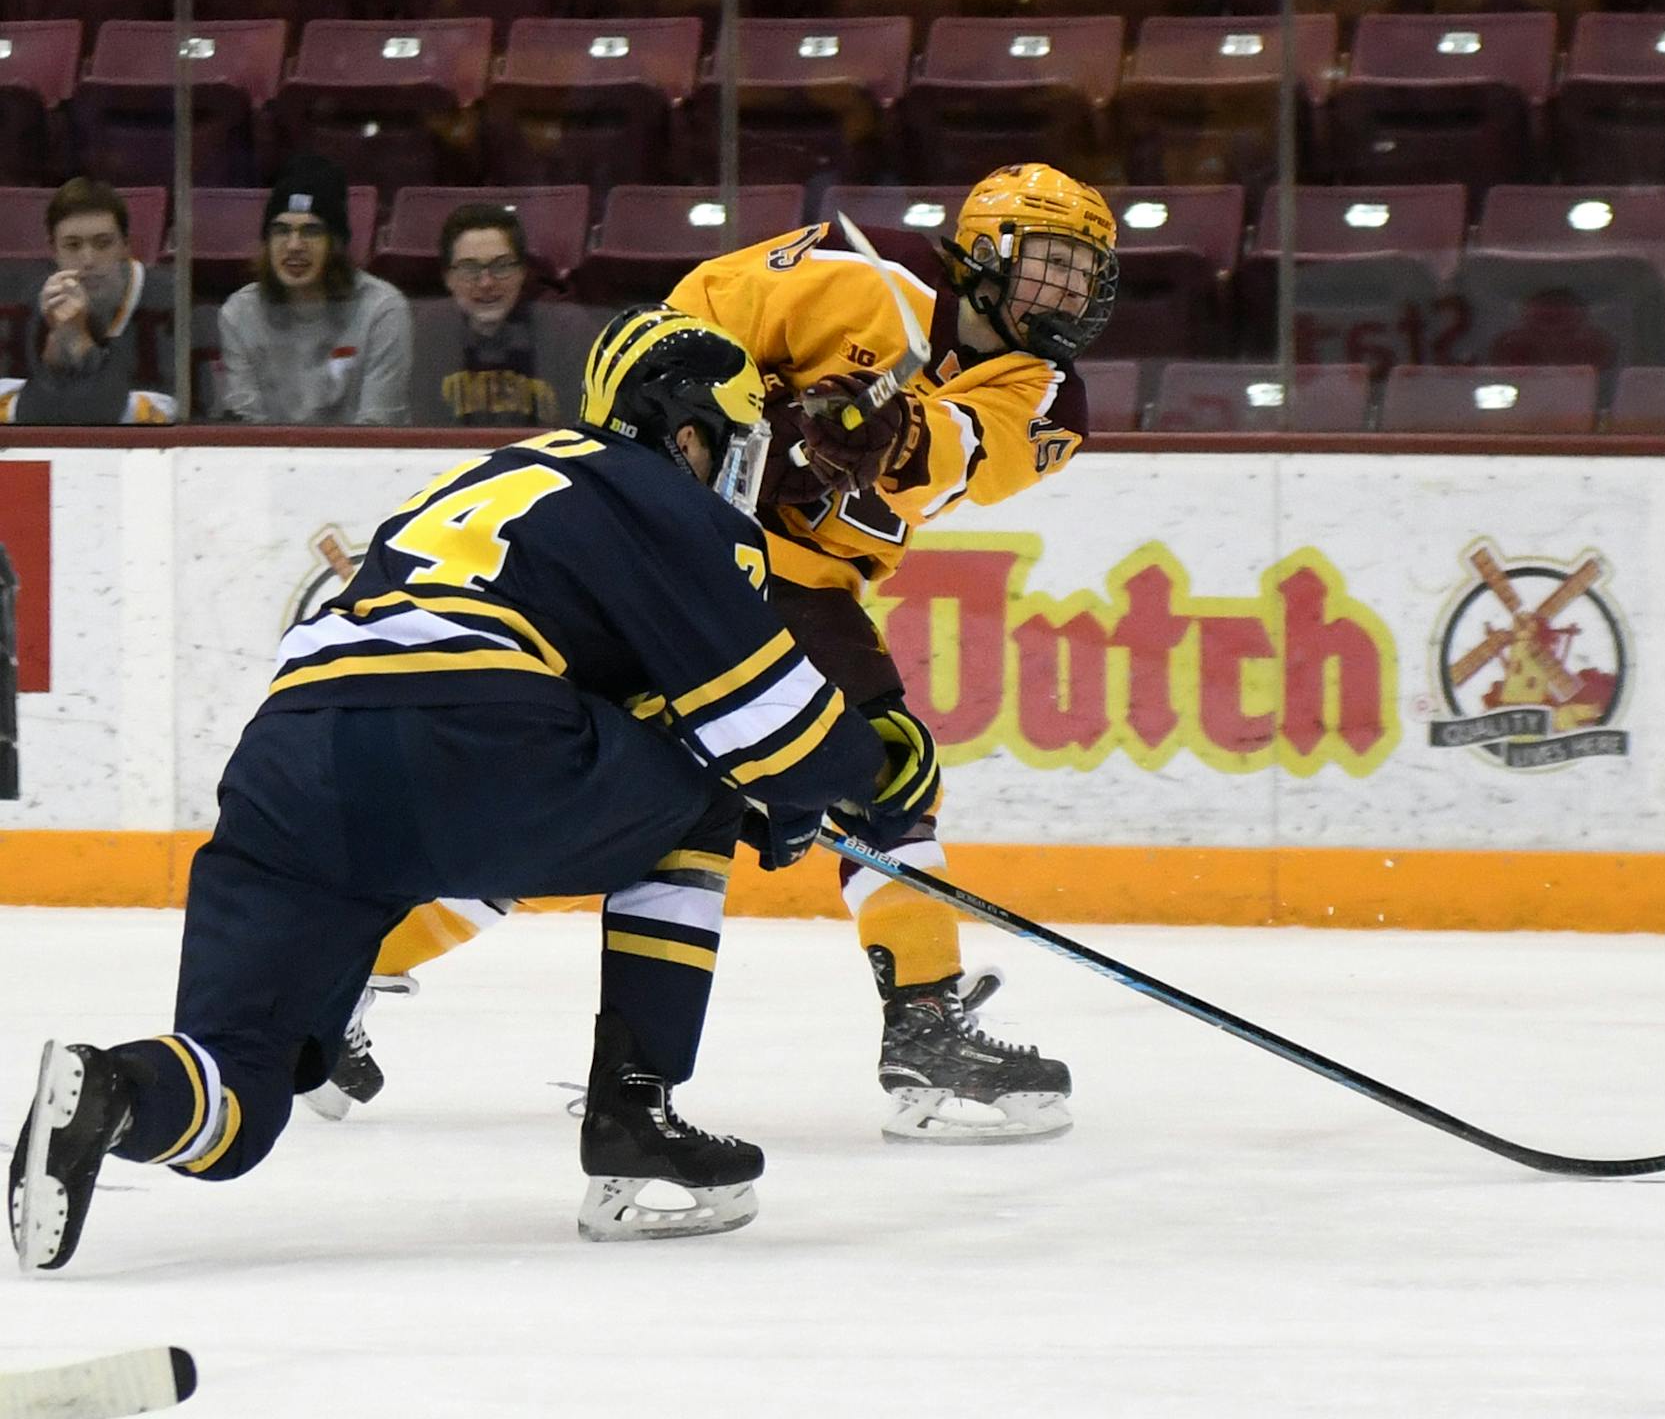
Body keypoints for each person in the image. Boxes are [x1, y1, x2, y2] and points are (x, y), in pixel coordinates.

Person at [8, 304, 942, 1272]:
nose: (732, 481)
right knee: (702, 791)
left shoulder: (482, 479)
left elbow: (631, 702)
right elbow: (766, 726)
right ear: (691, 432)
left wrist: (781, 793)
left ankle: (111, 1089)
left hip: (287, 765)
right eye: (731, 450)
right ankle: (636, 1113)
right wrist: (863, 777)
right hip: (468, 736)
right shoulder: (658, 494)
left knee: (241, 1097)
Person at [328, 162, 1119, 1144]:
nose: (1075, 294)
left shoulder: (1047, 397)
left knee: (829, 781)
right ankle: (923, 1024)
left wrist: (873, 428)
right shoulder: (848, 288)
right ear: (988, 259)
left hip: (795, 584)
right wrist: (736, 414)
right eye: (1054, 267)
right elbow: (667, 336)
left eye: (1088, 275)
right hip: (680, 552)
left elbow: (955, 449)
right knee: (644, 805)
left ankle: (345, 972)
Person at [216, 155, 413, 424]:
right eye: (281, 230)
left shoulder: (382, 310)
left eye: (311, 231)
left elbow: (378, 427)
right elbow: (246, 423)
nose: (294, 245)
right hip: (270, 462)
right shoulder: (239, 313)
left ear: (336, 245)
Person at [0, 178, 176, 424]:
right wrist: (56, 360)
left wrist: (81, 345)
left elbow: (166, 415)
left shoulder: (169, 302)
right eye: (72, 245)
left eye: (103, 243)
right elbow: (14, 414)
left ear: (126, 245)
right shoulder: (30, 303)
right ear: (53, 249)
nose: (88, 260)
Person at [409, 202, 581, 426]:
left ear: (522, 272)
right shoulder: (430, 330)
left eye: (501, 266)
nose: (486, 282)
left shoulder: (567, 330)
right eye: (469, 268)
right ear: (448, 278)